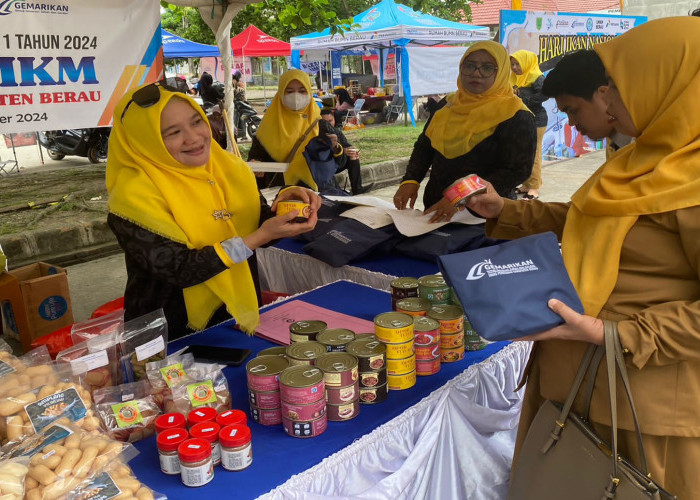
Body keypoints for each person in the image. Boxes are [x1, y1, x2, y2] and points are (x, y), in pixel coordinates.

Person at [465, 17, 700, 498]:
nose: (608, 99)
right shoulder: (640, 161)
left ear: (665, 81)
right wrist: (504, 211)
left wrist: (617, 333)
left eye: (616, 84)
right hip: (571, 379)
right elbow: (588, 219)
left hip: (641, 401)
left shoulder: (691, 178)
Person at [106, 82, 321, 339]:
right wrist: (256, 238)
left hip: (234, 315)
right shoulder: (133, 197)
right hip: (168, 333)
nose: (194, 137)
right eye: (173, 132)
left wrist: (290, 204)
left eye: (197, 122)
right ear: (145, 141)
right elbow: (180, 269)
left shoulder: (229, 168)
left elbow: (256, 224)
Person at [393, 41, 536, 223]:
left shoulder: (516, 115)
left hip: (482, 217)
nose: (476, 73)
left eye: (487, 68)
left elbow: (517, 170)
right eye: (469, 65)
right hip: (436, 209)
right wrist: (410, 181)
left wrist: (461, 196)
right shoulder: (448, 105)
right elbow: (425, 146)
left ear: (501, 72)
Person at [541, 49, 632, 158]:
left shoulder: (643, 151)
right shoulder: (616, 144)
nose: (571, 122)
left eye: (573, 111)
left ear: (605, 96)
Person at [248, 69, 321, 190]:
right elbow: (255, 158)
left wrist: (335, 149)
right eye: (289, 91)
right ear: (280, 93)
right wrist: (256, 166)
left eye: (302, 91)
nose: (296, 96)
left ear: (309, 92)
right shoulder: (267, 127)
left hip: (317, 194)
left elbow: (339, 162)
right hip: (279, 194)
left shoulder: (320, 124)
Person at [510, 50, 548, 200]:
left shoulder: (537, 77)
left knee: (535, 154)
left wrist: (525, 101)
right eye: (512, 64)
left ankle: (534, 188)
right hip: (523, 119)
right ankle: (526, 184)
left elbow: (545, 94)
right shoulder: (516, 78)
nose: (514, 67)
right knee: (524, 153)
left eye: (517, 64)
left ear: (526, 62)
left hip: (536, 120)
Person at [320, 108, 372, 195]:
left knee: (353, 155)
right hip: (324, 166)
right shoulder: (317, 135)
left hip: (338, 163)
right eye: (324, 122)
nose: (328, 124)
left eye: (330, 121)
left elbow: (346, 144)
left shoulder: (337, 132)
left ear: (334, 119)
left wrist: (352, 149)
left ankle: (357, 188)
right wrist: (342, 150)